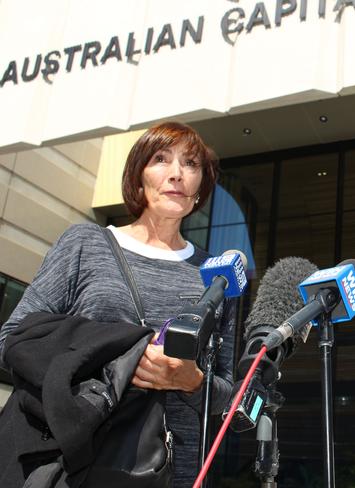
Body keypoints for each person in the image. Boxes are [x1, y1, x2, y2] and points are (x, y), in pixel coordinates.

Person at [0, 121, 235, 488]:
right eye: (161, 159)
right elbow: (12, 341)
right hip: (77, 462)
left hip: (174, 472)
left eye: (190, 164)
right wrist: (119, 357)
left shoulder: (216, 276)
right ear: (138, 175)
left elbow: (227, 395)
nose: (176, 174)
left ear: (201, 185)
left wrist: (193, 381)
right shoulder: (86, 244)